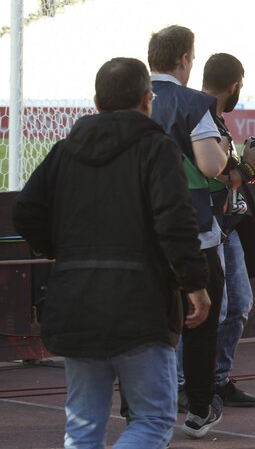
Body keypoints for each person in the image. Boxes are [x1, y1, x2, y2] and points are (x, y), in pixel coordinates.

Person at [11, 57, 212, 448]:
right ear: (145, 100)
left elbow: (25, 212)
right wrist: (195, 284)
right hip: (142, 305)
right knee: (152, 420)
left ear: (96, 101)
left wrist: (64, 251)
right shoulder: (157, 149)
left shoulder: (64, 151)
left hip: (76, 301)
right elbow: (175, 221)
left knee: (83, 427)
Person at [147, 25, 255, 439]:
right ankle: (199, 405)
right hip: (194, 228)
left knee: (156, 321)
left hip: (140, 230)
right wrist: (246, 166)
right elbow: (213, 170)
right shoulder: (194, 104)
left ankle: (148, 406)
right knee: (200, 312)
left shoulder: (131, 99)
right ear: (184, 60)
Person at [202, 53, 255, 407]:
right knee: (211, 308)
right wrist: (247, 169)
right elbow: (214, 177)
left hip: (230, 225)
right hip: (210, 225)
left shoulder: (213, 118)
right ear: (235, 85)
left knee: (240, 304)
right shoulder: (200, 119)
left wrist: (252, 166)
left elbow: (225, 173)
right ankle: (189, 382)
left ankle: (217, 379)